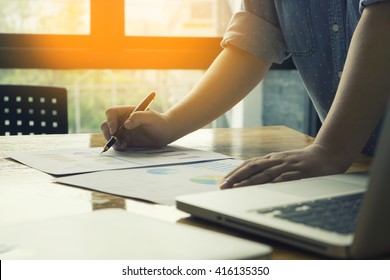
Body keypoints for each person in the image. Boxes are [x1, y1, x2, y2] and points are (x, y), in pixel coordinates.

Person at [101, 0, 390, 189]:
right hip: (361, 174)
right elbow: (253, 42)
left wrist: (330, 150)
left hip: (346, 164)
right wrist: (168, 124)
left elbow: (384, 18)